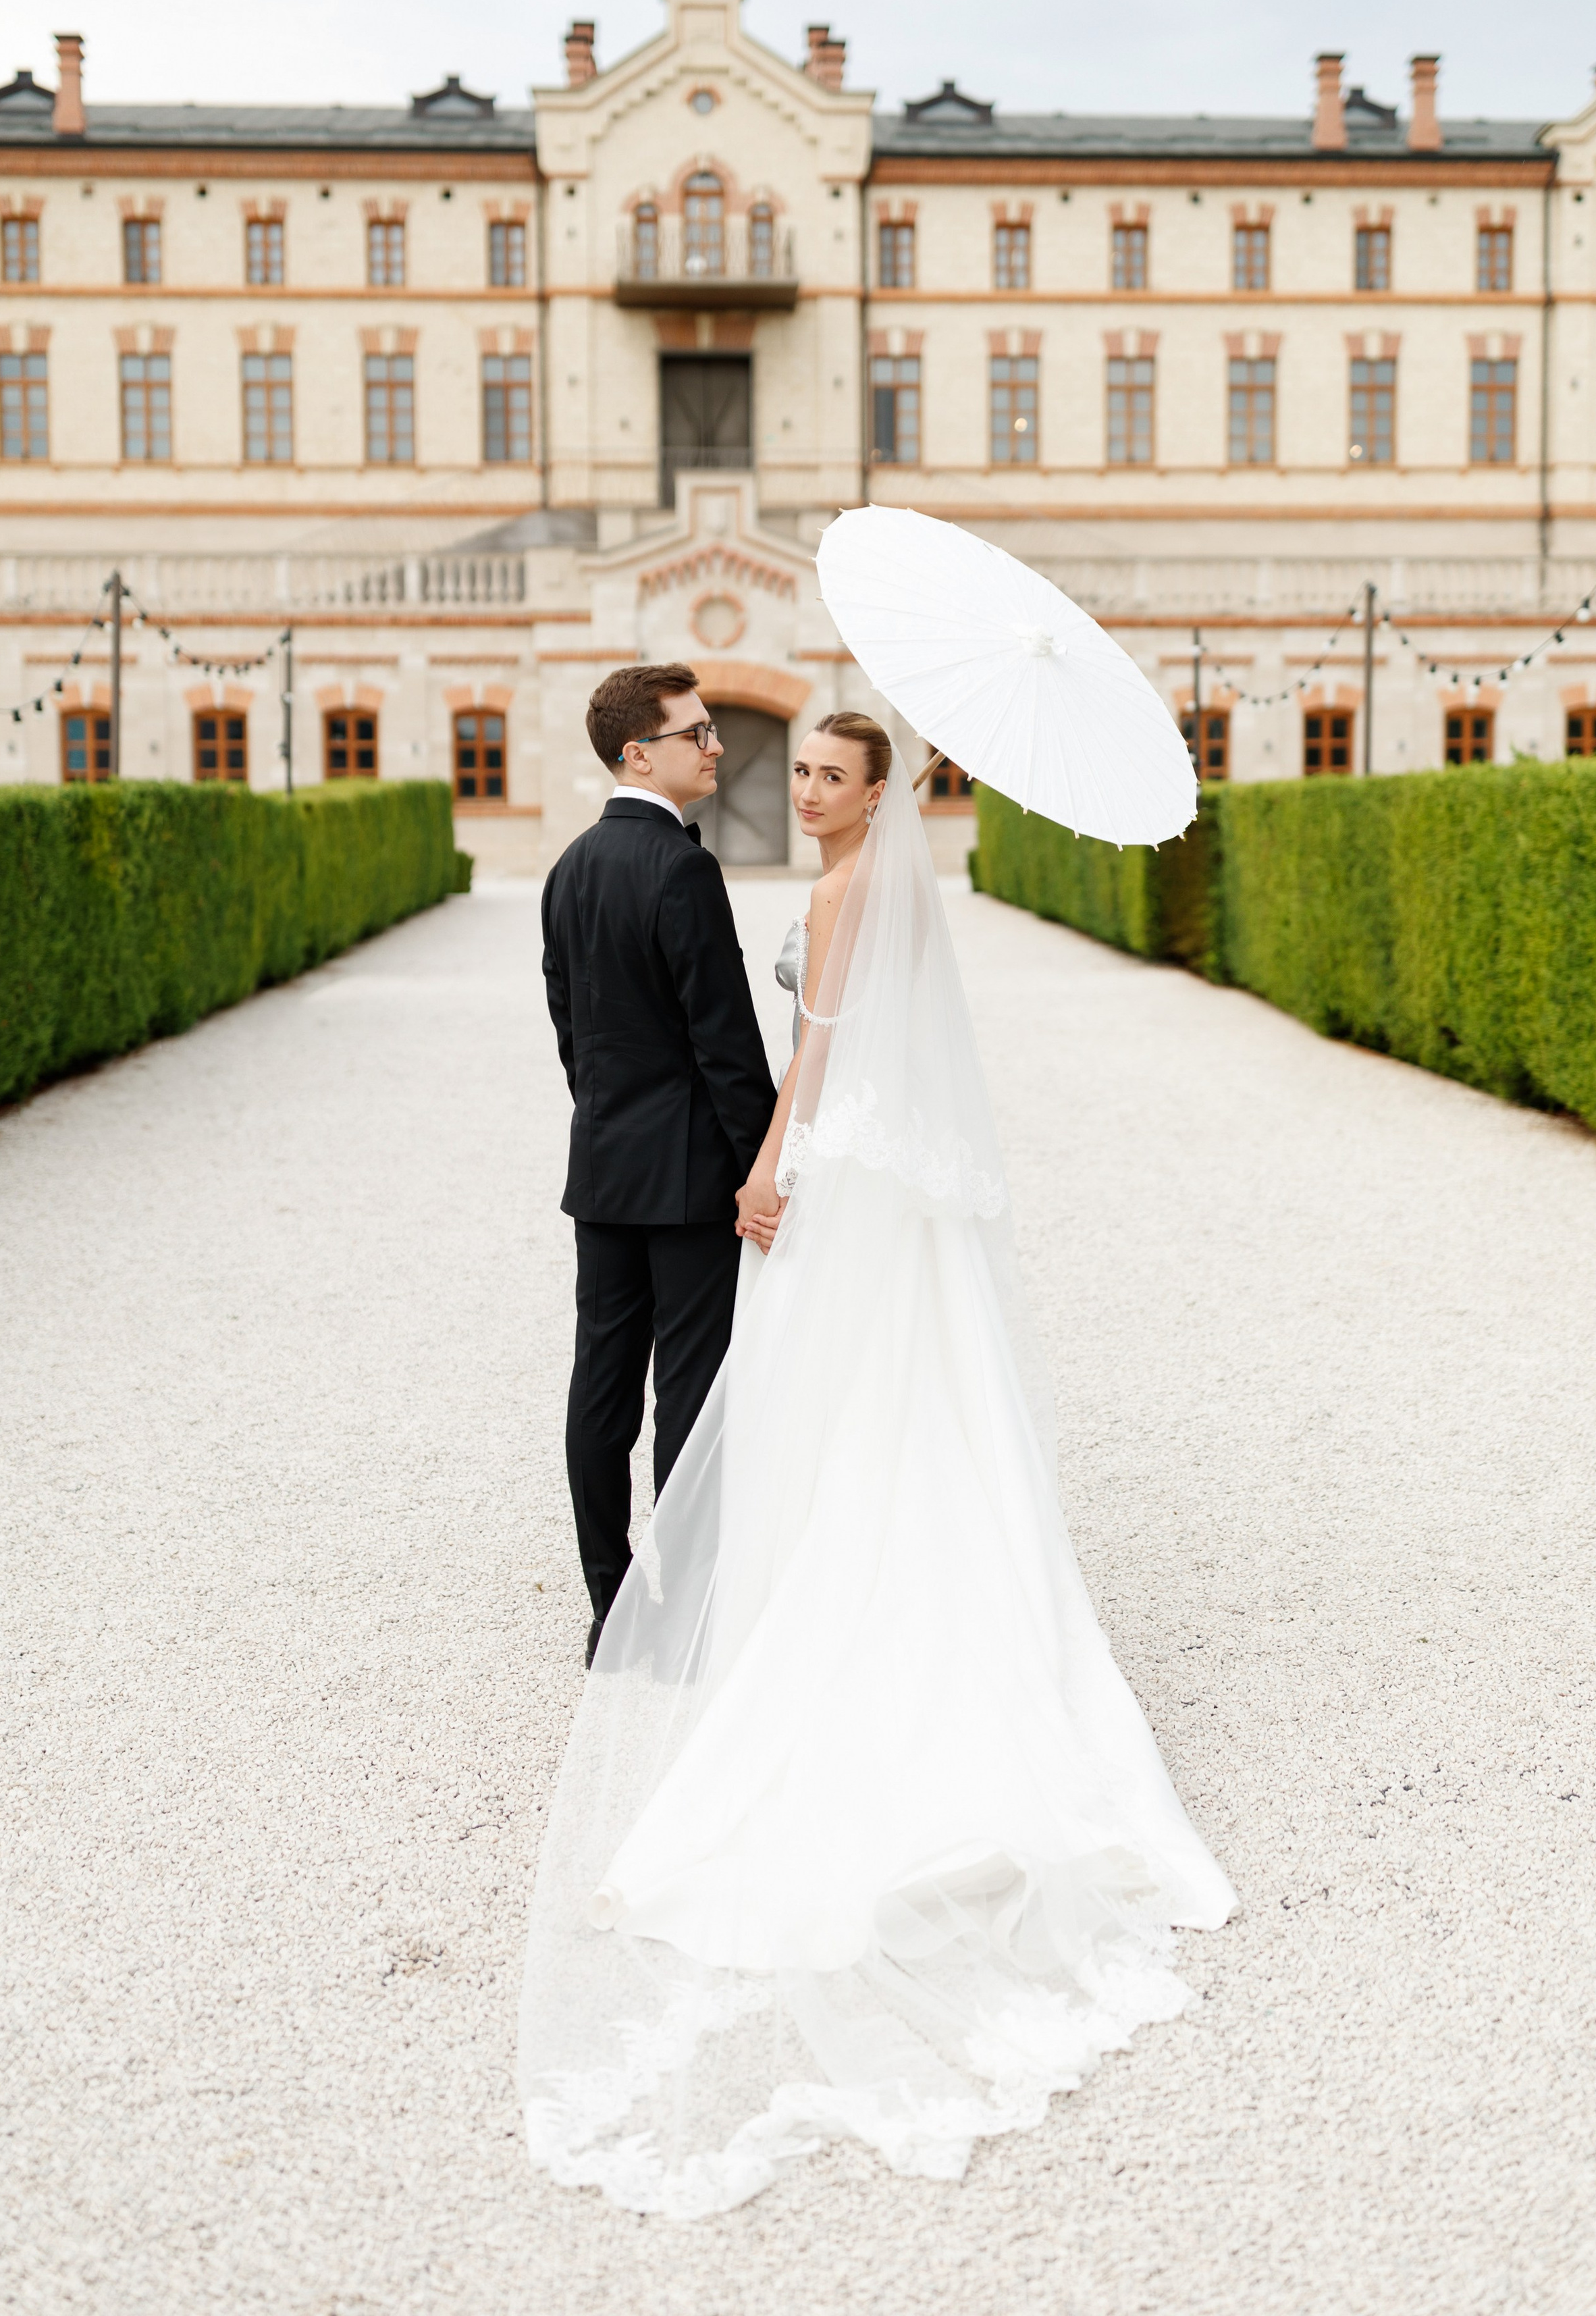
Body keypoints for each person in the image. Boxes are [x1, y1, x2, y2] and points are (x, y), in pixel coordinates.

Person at [521, 714, 1236, 2217]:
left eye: (829, 778)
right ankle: (812, 1588)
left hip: (806, 1159)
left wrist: (765, 1160)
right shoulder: (849, 881)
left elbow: (808, 1052)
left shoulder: (781, 883)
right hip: (874, 1169)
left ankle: (728, 1602)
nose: (802, 790)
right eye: (803, 773)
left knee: (783, 1394)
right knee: (864, 1398)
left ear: (873, 796)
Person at [540, 662, 776, 1668]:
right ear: (639, 753)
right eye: (698, 733)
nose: (716, 747)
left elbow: (571, 1032)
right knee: (687, 1391)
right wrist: (765, 1164)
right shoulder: (683, 869)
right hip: (687, 1179)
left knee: (601, 1389)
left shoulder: (570, 867)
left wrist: (608, 1122)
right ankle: (680, 1616)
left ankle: (611, 1606)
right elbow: (725, 1042)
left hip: (603, 1169)